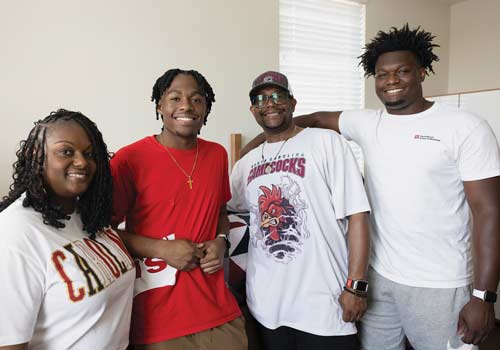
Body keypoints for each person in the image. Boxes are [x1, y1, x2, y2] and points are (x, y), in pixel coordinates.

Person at [243, 24, 500, 350]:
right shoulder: (367, 122)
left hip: (438, 282)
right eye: (382, 74)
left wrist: (484, 295)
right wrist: (256, 145)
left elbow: (489, 211)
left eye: (402, 71)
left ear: (422, 72)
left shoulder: (464, 126)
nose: (391, 81)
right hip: (378, 278)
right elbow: (317, 118)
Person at [228, 71, 371, 350]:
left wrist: (356, 286)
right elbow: (226, 209)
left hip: (325, 305)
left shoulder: (326, 143)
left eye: (277, 96)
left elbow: (358, 216)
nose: (269, 103)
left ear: (293, 102)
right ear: (253, 109)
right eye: (261, 98)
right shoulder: (245, 165)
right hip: (268, 307)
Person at [111, 68, 247, 349]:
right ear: (160, 106)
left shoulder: (217, 154)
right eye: (175, 98)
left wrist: (222, 241)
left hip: (219, 311)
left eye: (196, 99)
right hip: (159, 319)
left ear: (206, 107)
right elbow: (102, 232)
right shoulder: (129, 159)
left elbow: (220, 213)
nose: (186, 105)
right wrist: (162, 249)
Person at [0, 109, 135, 350]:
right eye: (66, 152)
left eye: (89, 154)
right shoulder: (15, 233)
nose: (82, 162)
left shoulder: (88, 215)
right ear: (36, 155)